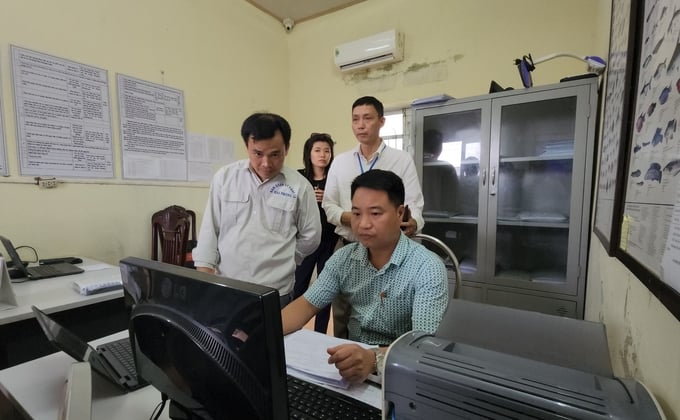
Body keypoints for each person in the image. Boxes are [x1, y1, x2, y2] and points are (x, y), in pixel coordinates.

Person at [282, 170, 448, 384]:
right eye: (357, 213)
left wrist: (373, 360)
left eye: (375, 213)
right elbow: (306, 305)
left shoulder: (427, 267)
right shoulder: (344, 259)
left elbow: (423, 345)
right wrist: (263, 334)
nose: (363, 224)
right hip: (350, 369)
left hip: (405, 373)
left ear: (399, 214)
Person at [192, 112, 321, 308]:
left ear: (287, 148)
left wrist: (285, 258)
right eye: (258, 154)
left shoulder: (300, 186)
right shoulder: (225, 178)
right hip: (228, 286)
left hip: (275, 292)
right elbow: (211, 228)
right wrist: (205, 274)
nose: (266, 163)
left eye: (275, 154)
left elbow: (311, 236)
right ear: (247, 146)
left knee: (277, 339)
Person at [322, 95, 426, 338]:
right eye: (355, 119)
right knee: (342, 318)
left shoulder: (401, 160)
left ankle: (383, 364)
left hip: (388, 255)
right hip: (348, 249)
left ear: (381, 121)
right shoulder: (340, 162)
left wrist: (413, 223)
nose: (360, 124)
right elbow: (329, 205)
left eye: (367, 118)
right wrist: (356, 219)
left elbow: (416, 206)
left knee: (388, 318)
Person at [293, 133, 339, 333]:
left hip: (330, 242)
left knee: (325, 289)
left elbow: (344, 206)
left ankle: (320, 333)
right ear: (309, 153)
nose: (323, 155)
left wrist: (326, 198)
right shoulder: (298, 177)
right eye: (318, 150)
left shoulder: (336, 179)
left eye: (327, 150)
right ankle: (293, 329)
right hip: (305, 241)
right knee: (298, 286)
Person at [422, 128, 458, 215]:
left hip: (415, 218)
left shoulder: (411, 165)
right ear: (439, 148)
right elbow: (452, 199)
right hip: (440, 218)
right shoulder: (447, 168)